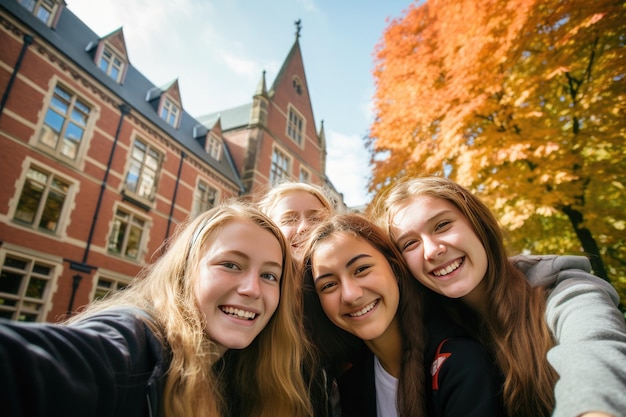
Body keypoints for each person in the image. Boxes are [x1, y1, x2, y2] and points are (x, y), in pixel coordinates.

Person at [0, 201, 315, 417]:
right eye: (230, 264)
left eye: (269, 275)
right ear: (185, 270)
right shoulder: (139, 345)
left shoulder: (250, 371)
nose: (251, 288)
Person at [371, 175, 626, 417]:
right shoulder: (427, 332)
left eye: (442, 225)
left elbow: (595, 349)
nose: (432, 251)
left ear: (478, 224)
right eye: (410, 244)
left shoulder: (561, 290)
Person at [302, 212, 506, 417]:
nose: (350, 295)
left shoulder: (461, 362)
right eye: (328, 285)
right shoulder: (346, 377)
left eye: (361, 269)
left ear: (395, 268)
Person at [258, 181, 346, 417]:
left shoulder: (348, 298)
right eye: (289, 219)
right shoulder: (254, 300)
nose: (305, 227)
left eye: (316, 218)